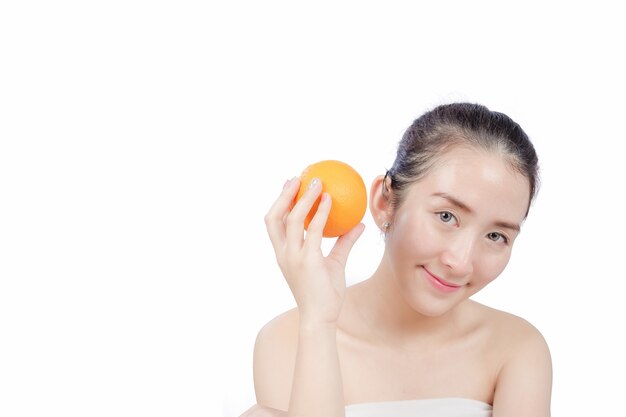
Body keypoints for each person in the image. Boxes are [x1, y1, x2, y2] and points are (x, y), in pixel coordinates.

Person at [240, 102, 552, 417]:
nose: (461, 262)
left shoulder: (517, 349)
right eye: (446, 216)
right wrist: (318, 322)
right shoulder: (288, 339)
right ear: (385, 201)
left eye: (496, 236)